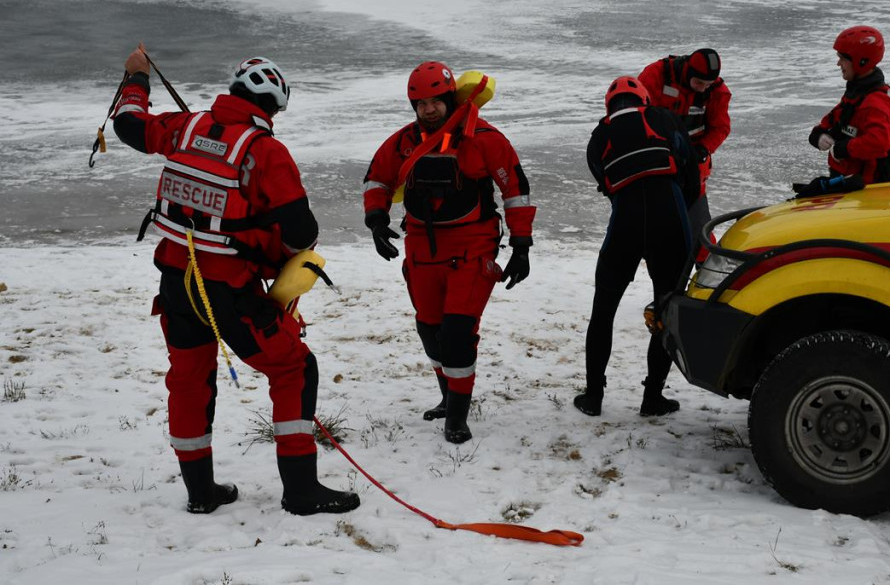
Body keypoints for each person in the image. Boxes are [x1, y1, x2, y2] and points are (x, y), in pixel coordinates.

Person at [112, 45, 359, 516]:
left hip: (175, 282)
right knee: (294, 369)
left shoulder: (183, 128)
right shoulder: (265, 151)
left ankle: (200, 493)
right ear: (272, 108)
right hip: (230, 292)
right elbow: (302, 232)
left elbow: (128, 125)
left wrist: (136, 77)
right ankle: (302, 492)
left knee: (189, 380)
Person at [362, 61, 536, 444]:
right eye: (420, 104)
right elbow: (378, 178)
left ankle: (457, 416)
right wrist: (376, 220)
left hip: (473, 245)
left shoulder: (484, 138)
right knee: (430, 329)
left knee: (457, 332)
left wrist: (521, 245)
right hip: (422, 247)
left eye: (435, 101)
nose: (429, 110)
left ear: (449, 97)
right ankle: (448, 395)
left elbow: (514, 190)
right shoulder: (403, 142)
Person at [573, 76, 700, 417]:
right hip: (670, 220)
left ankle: (593, 397)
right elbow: (690, 169)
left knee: (603, 311)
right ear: (643, 99)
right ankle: (652, 398)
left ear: (609, 107)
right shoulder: (663, 117)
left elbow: (606, 184)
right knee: (666, 310)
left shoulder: (598, 135)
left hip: (626, 224)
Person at [638, 48, 731, 258]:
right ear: (688, 71)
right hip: (656, 165)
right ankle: (665, 280)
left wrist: (703, 148)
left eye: (707, 84)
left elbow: (720, 128)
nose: (703, 89)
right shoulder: (656, 75)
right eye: (699, 83)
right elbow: (637, 116)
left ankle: (706, 282)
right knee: (655, 233)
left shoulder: (716, 90)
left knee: (700, 232)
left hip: (693, 170)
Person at [807, 26, 890, 184]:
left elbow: (879, 142)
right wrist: (820, 135)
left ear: (860, 61)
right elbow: (834, 119)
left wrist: (844, 149)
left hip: (865, 193)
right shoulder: (857, 95)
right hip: (847, 185)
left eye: (842, 58)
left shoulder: (876, 104)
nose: (838, 63)